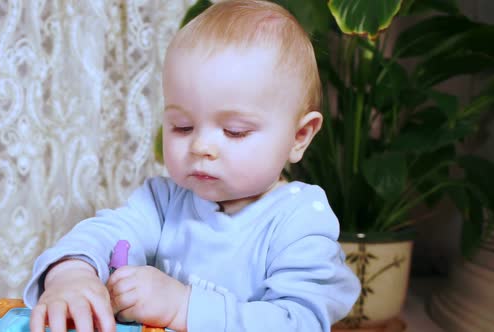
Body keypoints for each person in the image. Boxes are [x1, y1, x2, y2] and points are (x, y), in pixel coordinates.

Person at [23, 1, 361, 331]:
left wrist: (182, 306)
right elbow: (104, 234)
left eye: (234, 131)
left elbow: (300, 322)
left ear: (299, 136)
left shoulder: (300, 220)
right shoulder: (163, 202)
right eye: (182, 126)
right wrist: (71, 274)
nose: (201, 146)